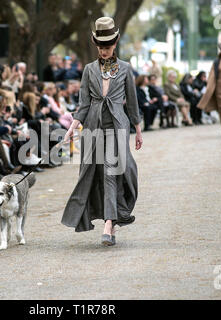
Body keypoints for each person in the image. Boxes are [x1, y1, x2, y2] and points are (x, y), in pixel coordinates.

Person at [62, 17, 143, 246]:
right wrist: (71, 128)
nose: (104, 51)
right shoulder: (89, 70)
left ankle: (109, 223)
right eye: (100, 47)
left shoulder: (126, 69)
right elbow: (83, 104)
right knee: (95, 174)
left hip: (118, 126)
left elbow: (133, 103)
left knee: (114, 172)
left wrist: (137, 130)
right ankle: (112, 222)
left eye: (107, 47)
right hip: (93, 127)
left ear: (115, 44)